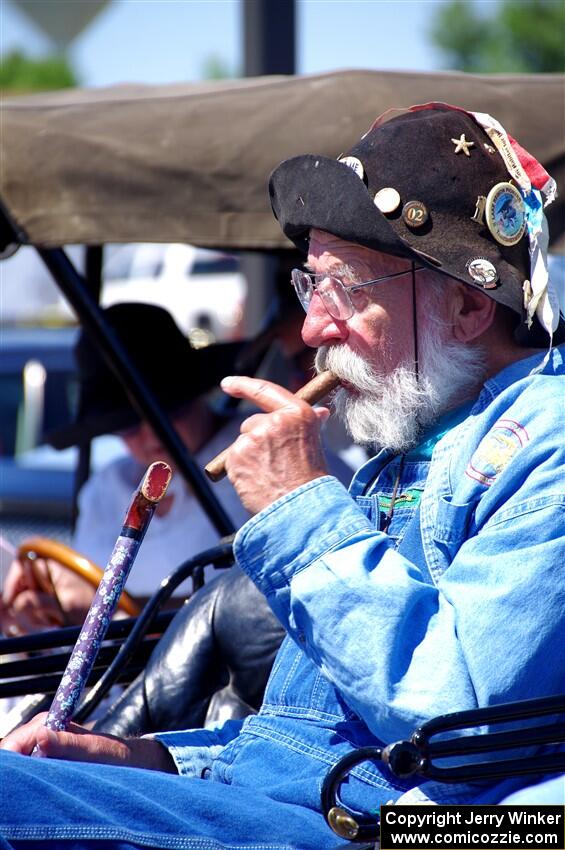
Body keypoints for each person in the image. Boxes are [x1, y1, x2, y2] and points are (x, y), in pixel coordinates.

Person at [1, 103, 564, 849]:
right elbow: (297, 743)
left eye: (346, 289)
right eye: (310, 288)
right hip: (291, 808)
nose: (309, 331)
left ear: (463, 304)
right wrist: (146, 758)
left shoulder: (544, 446)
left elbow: (447, 728)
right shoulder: (405, 455)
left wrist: (300, 506)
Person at [0, 303, 250, 635]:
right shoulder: (106, 488)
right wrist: (44, 607)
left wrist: (105, 611)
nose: (150, 435)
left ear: (194, 392)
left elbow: (266, 604)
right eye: (127, 425)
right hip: (116, 680)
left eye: (166, 410)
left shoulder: (264, 455)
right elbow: (77, 600)